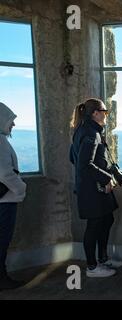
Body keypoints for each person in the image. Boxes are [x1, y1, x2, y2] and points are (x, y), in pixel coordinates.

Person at [70, 98, 122, 278]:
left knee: (107, 220)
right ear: (95, 113)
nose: (106, 115)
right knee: (94, 225)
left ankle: (102, 259)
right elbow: (83, 165)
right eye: (105, 111)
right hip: (92, 189)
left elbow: (73, 157)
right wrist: (106, 178)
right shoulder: (90, 133)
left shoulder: (84, 130)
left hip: (94, 186)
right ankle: (92, 267)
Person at [0, 102, 26, 290]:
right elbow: (4, 173)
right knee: (2, 240)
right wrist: (20, 188)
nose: (13, 125)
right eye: (11, 120)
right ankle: (2, 278)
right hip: (5, 201)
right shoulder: (0, 142)